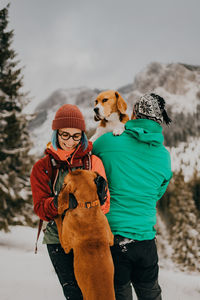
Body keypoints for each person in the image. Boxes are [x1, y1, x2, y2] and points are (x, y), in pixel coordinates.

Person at [92, 93, 173, 300]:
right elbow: (157, 192)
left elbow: (90, 169)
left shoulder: (106, 143)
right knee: (151, 294)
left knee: (118, 294)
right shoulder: (164, 156)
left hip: (114, 239)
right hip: (146, 241)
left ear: (134, 114)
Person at [30, 104, 110, 300]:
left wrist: (100, 197)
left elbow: (105, 207)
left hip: (91, 239)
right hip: (58, 239)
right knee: (75, 294)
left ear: (82, 136)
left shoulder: (93, 163)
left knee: (97, 293)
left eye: (76, 136)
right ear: (56, 133)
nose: (70, 141)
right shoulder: (43, 168)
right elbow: (41, 209)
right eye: (65, 135)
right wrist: (62, 202)